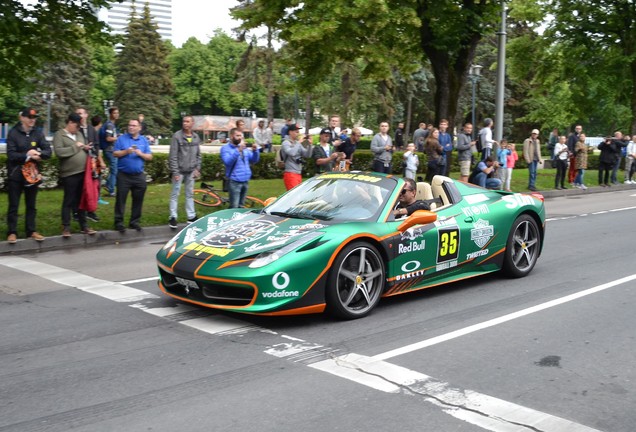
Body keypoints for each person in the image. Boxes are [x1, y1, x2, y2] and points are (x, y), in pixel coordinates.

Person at [5, 108, 52, 244]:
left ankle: (31, 230)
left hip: (32, 175)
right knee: (14, 204)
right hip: (16, 175)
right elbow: (11, 155)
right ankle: (12, 232)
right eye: (29, 117)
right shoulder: (13, 133)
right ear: (22, 118)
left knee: (31, 205)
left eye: (34, 117)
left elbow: (47, 151)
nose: (32, 120)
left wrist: (39, 154)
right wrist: (28, 155)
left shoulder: (37, 133)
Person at [53, 113, 97, 237]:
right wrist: (75, 147)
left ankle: (84, 226)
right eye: (77, 126)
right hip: (69, 173)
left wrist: (85, 148)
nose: (78, 129)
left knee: (81, 200)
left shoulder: (78, 134)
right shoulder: (59, 135)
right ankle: (66, 226)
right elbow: (59, 152)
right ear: (70, 123)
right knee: (69, 199)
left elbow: (81, 146)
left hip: (83, 172)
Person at [113, 118, 153, 232]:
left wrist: (140, 154)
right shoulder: (122, 139)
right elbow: (115, 153)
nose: (131, 127)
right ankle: (119, 222)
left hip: (138, 175)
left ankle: (134, 221)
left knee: (138, 199)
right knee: (121, 199)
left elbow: (150, 157)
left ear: (139, 128)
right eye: (130, 125)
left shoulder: (143, 140)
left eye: (134, 125)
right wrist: (126, 151)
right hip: (124, 175)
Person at [168, 115, 201, 228]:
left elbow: (198, 155)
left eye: (188, 121)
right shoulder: (177, 136)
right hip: (180, 171)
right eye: (184, 121)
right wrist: (175, 172)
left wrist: (197, 168)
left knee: (189, 194)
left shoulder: (196, 137)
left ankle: (191, 216)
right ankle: (173, 217)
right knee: (175, 194)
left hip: (191, 171)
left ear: (192, 123)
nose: (185, 123)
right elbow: (173, 155)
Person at [220, 127, 260, 208]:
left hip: (245, 180)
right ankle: (231, 219)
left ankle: (238, 219)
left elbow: (253, 160)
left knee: (241, 206)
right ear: (231, 136)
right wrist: (238, 150)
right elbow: (227, 162)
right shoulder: (225, 148)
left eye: (241, 136)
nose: (240, 138)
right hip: (234, 181)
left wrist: (255, 151)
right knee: (234, 206)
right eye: (237, 135)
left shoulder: (244, 148)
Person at [76, 107, 104, 221]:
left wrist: (97, 157)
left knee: (94, 186)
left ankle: (91, 210)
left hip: (92, 162)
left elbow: (97, 145)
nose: (80, 116)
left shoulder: (92, 129)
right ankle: (78, 212)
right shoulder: (76, 130)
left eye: (81, 113)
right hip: (81, 162)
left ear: (86, 115)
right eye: (77, 114)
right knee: (80, 187)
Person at [281, 123, 312, 190]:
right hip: (290, 173)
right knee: (293, 196)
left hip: (298, 173)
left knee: (298, 196)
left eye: (298, 132)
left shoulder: (297, 143)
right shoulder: (285, 143)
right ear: (290, 132)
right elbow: (292, 153)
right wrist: (299, 142)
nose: (298, 133)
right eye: (296, 132)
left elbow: (307, 155)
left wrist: (309, 145)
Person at [99, 106, 120, 197]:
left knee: (114, 169)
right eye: (115, 113)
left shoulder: (111, 124)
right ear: (110, 114)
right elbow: (108, 138)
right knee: (114, 170)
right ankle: (111, 189)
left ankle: (109, 185)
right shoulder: (110, 125)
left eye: (117, 113)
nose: (117, 115)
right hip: (109, 150)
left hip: (110, 149)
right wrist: (118, 138)